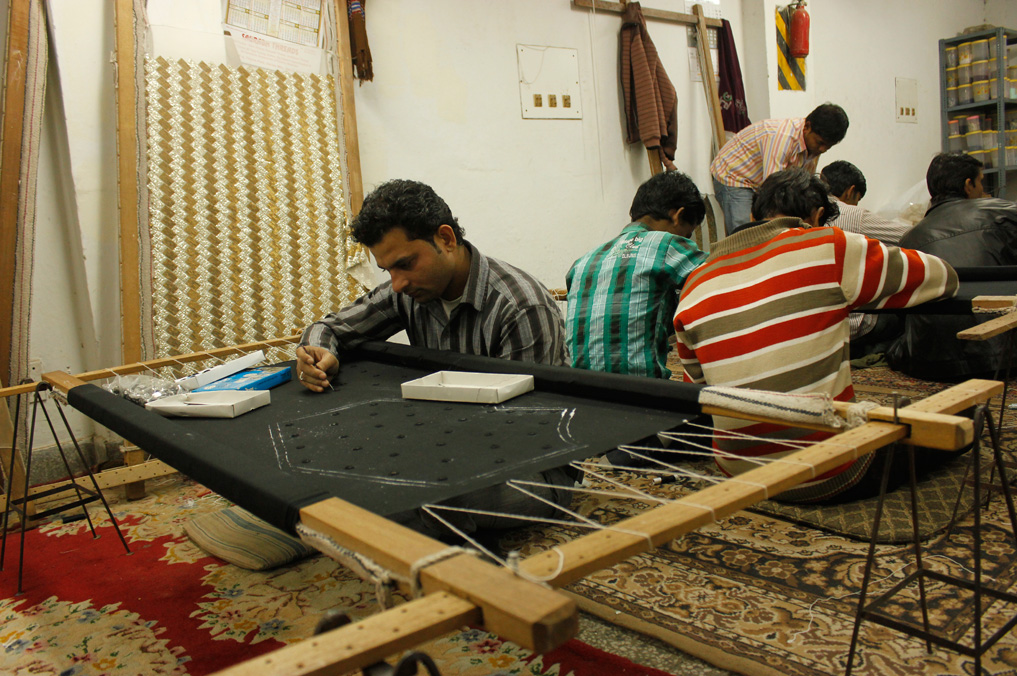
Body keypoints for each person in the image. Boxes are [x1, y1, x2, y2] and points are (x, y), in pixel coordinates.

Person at [296, 179, 573, 538]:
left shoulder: (520, 306)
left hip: (531, 469)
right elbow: (328, 328)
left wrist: (408, 447)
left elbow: (524, 432)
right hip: (442, 448)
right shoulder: (410, 292)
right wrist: (318, 353)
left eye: (405, 264)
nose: (396, 283)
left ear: (446, 239)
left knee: (415, 495)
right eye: (388, 271)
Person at [674, 169, 958, 503]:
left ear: (753, 215)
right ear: (818, 216)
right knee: (961, 422)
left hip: (740, 473)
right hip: (828, 469)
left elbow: (699, 394)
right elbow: (943, 278)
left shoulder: (695, 281)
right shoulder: (828, 245)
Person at [887, 153, 1017, 381]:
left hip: (930, 363)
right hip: (1004, 357)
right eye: (981, 183)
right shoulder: (1002, 213)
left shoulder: (909, 239)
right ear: (969, 185)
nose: (983, 192)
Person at [566, 170, 707, 379]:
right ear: (677, 215)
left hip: (582, 393)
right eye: (688, 232)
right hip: (642, 392)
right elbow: (721, 275)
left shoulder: (582, 262)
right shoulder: (667, 244)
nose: (687, 239)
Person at [820, 160, 913, 358]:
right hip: (851, 323)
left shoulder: (799, 213)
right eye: (857, 199)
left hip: (814, 323)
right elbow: (915, 235)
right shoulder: (854, 215)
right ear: (850, 191)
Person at [710, 103, 849, 235]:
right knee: (746, 234)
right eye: (820, 143)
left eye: (828, 147)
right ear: (807, 126)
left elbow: (803, 186)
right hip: (735, 176)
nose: (823, 149)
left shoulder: (813, 146)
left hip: (760, 180)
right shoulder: (782, 138)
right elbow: (773, 189)